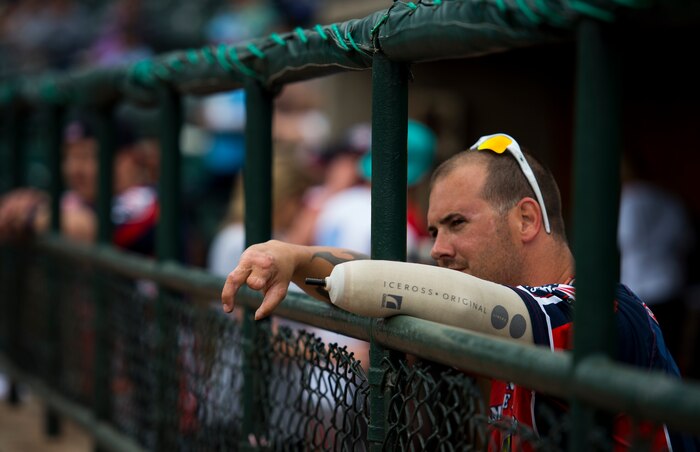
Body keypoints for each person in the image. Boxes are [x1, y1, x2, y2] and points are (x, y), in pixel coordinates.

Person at [221, 132, 692, 450]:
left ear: (526, 219)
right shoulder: (484, 293)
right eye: (434, 229)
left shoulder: (600, 308)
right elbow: (396, 281)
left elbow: (413, 287)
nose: (439, 248)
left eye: (457, 224)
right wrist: (296, 258)